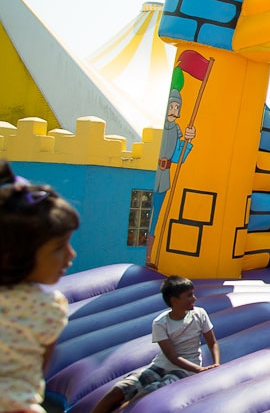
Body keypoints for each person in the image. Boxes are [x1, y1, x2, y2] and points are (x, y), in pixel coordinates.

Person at [0, 160, 79, 413]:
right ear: (13, 254)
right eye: (59, 247)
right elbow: (37, 375)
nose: (71, 255)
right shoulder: (47, 307)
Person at [91, 275, 220, 412]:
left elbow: (212, 342)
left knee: (146, 393)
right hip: (160, 365)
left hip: (186, 369)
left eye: (193, 294)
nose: (194, 298)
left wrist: (216, 364)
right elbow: (172, 356)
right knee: (120, 389)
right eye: (189, 296)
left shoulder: (200, 314)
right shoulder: (160, 323)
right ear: (174, 300)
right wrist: (199, 369)